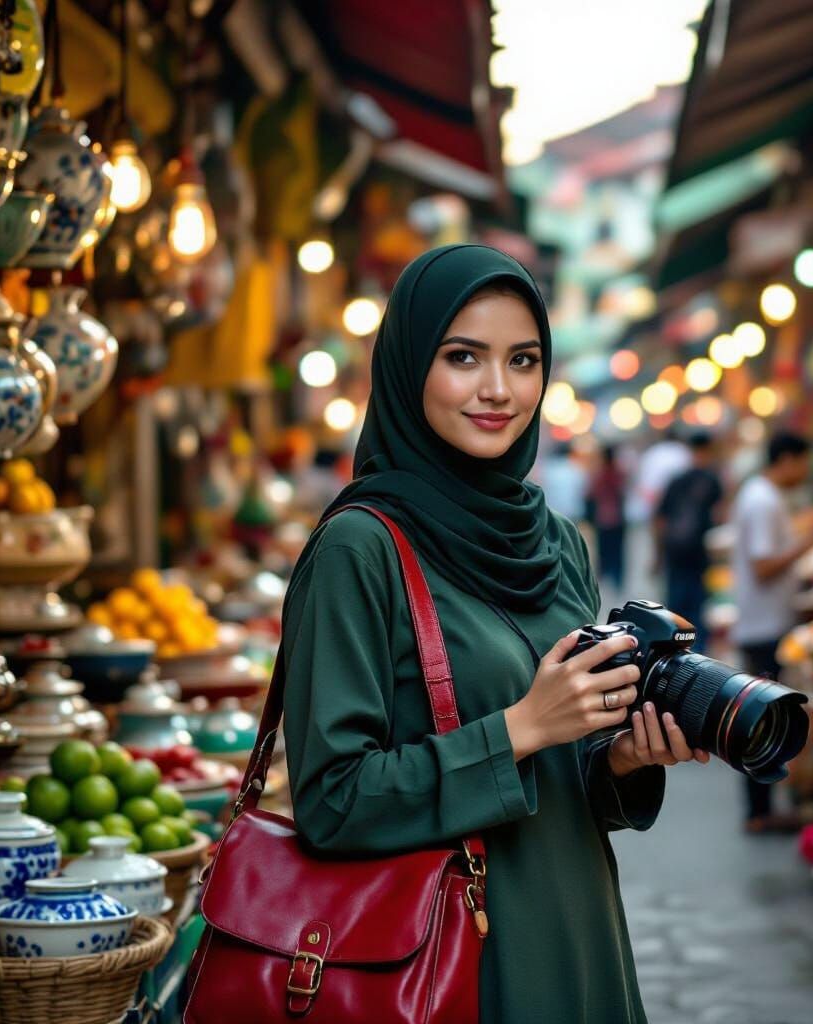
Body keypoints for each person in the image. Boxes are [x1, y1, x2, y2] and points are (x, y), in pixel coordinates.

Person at [281, 245, 710, 1024]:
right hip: (453, 957)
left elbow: (572, 781)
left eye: (523, 360)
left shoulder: (557, 540)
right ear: (410, 367)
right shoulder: (362, 548)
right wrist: (520, 727)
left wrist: (622, 755)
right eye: (462, 357)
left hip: (580, 927)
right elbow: (331, 802)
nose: (497, 390)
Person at [731, 430, 813, 833]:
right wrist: (811, 540)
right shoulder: (762, 500)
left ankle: (763, 807)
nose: (808, 470)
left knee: (765, 717)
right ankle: (759, 811)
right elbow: (764, 566)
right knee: (762, 720)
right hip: (763, 626)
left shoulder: (762, 495)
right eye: (805, 461)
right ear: (788, 460)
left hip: (766, 621)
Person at [654, 431, 723, 651]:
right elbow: (720, 515)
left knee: (676, 606)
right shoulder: (712, 481)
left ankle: (675, 650)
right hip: (700, 554)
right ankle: (697, 654)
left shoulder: (677, 480)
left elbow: (660, 519)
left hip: (675, 552)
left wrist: (658, 554)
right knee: (699, 607)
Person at [585, 444, 627, 590]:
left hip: (602, 518)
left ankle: (603, 579)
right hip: (618, 518)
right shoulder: (619, 473)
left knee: (603, 551)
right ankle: (617, 580)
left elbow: (590, 494)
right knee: (618, 551)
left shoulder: (599, 474)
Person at [538, 439, 588, 524]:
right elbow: (584, 490)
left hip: (552, 510)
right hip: (573, 510)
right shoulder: (576, 468)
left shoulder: (548, 468)